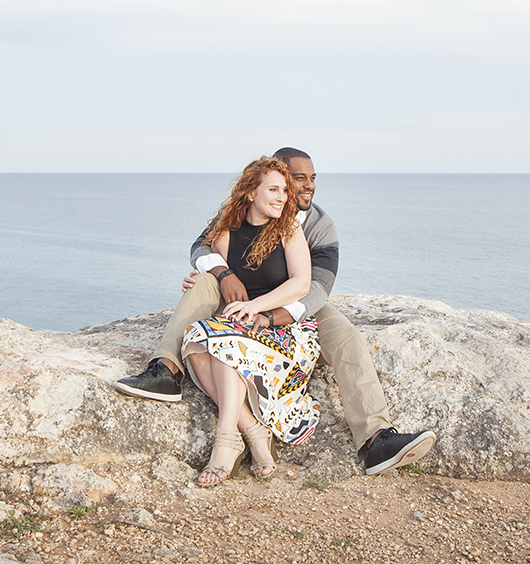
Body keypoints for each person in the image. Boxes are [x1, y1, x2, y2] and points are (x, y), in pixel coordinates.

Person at [115, 147, 437, 476]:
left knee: (348, 337)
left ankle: (375, 439)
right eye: (297, 179)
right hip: (240, 295)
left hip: (294, 307)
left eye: (311, 179)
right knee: (202, 285)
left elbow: (314, 289)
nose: (306, 186)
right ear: (266, 181)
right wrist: (222, 275)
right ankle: (166, 370)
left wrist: (267, 317)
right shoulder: (236, 214)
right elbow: (201, 247)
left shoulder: (318, 226)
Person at [176, 156, 319, 485]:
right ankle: (252, 430)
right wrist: (196, 280)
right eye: (273, 189)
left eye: (284, 190)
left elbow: (301, 284)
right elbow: (216, 274)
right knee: (195, 342)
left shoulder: (290, 229)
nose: (282, 197)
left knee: (226, 345)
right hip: (241, 326)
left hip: (284, 328)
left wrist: (256, 307)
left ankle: (225, 442)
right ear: (250, 192)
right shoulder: (227, 230)